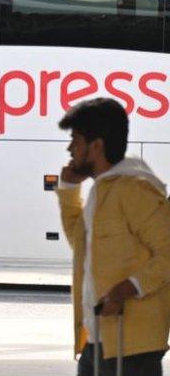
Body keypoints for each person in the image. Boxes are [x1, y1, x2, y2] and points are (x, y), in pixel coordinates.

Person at [56, 97, 170, 375]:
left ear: (96, 146)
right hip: (99, 339)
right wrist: (69, 190)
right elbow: (81, 245)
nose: (70, 148)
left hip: (132, 348)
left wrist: (127, 288)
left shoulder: (135, 191)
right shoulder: (103, 190)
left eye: (76, 140)